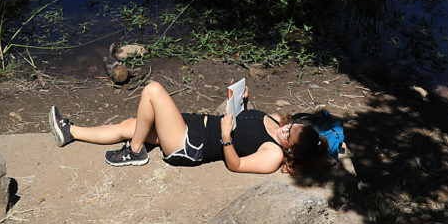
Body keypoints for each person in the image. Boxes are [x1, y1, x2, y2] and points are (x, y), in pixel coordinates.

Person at [48, 80, 326, 175]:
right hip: (194, 124)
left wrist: (226, 137)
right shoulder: (279, 121)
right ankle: (70, 132)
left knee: (153, 91)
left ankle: (135, 152)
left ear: (291, 150)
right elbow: (251, 126)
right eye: (292, 128)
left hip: (191, 146)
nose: (285, 131)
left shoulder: (273, 155)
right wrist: (244, 101)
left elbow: (237, 165)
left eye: (289, 137)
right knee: (132, 125)